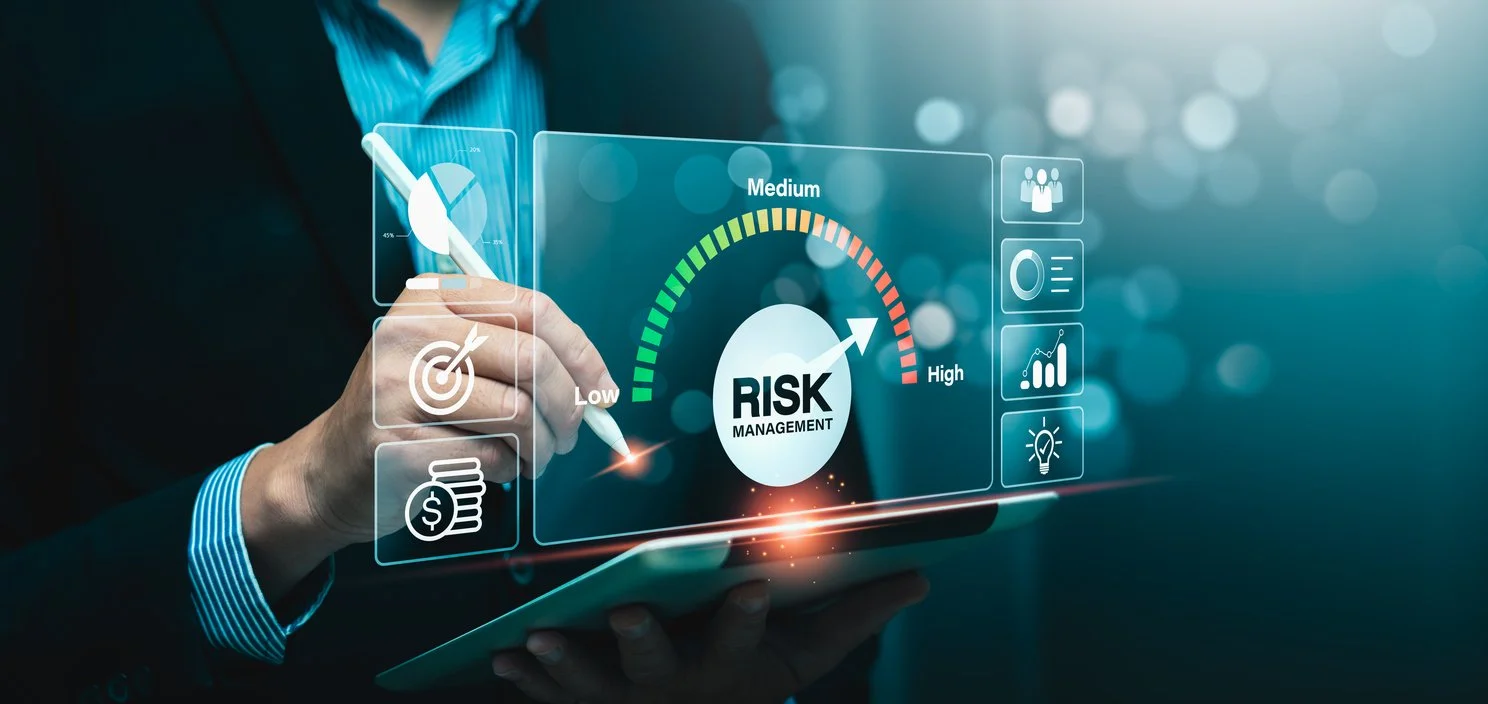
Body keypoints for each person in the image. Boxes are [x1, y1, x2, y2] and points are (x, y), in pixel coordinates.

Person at [0, 1, 924, 702]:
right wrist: (293, 497)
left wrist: (752, 672)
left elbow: (805, 487)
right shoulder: (54, 40)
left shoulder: (693, 35)